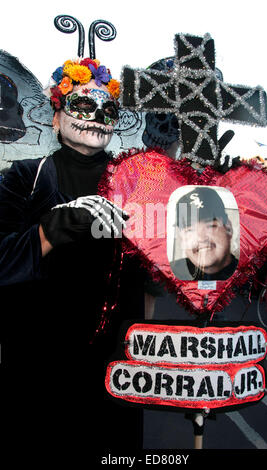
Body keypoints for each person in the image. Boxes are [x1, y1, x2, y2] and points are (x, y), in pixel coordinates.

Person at [0, 57, 145, 462]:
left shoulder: (135, 183)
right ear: (55, 117)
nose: (97, 116)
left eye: (107, 109)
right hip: (39, 368)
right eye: (83, 106)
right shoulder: (23, 177)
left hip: (117, 367)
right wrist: (53, 228)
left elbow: (163, 269)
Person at [170, 187, 238, 281]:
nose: (201, 238)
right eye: (189, 230)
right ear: (180, 237)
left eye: (210, 226)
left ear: (228, 228)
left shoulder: (252, 277)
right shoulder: (166, 277)